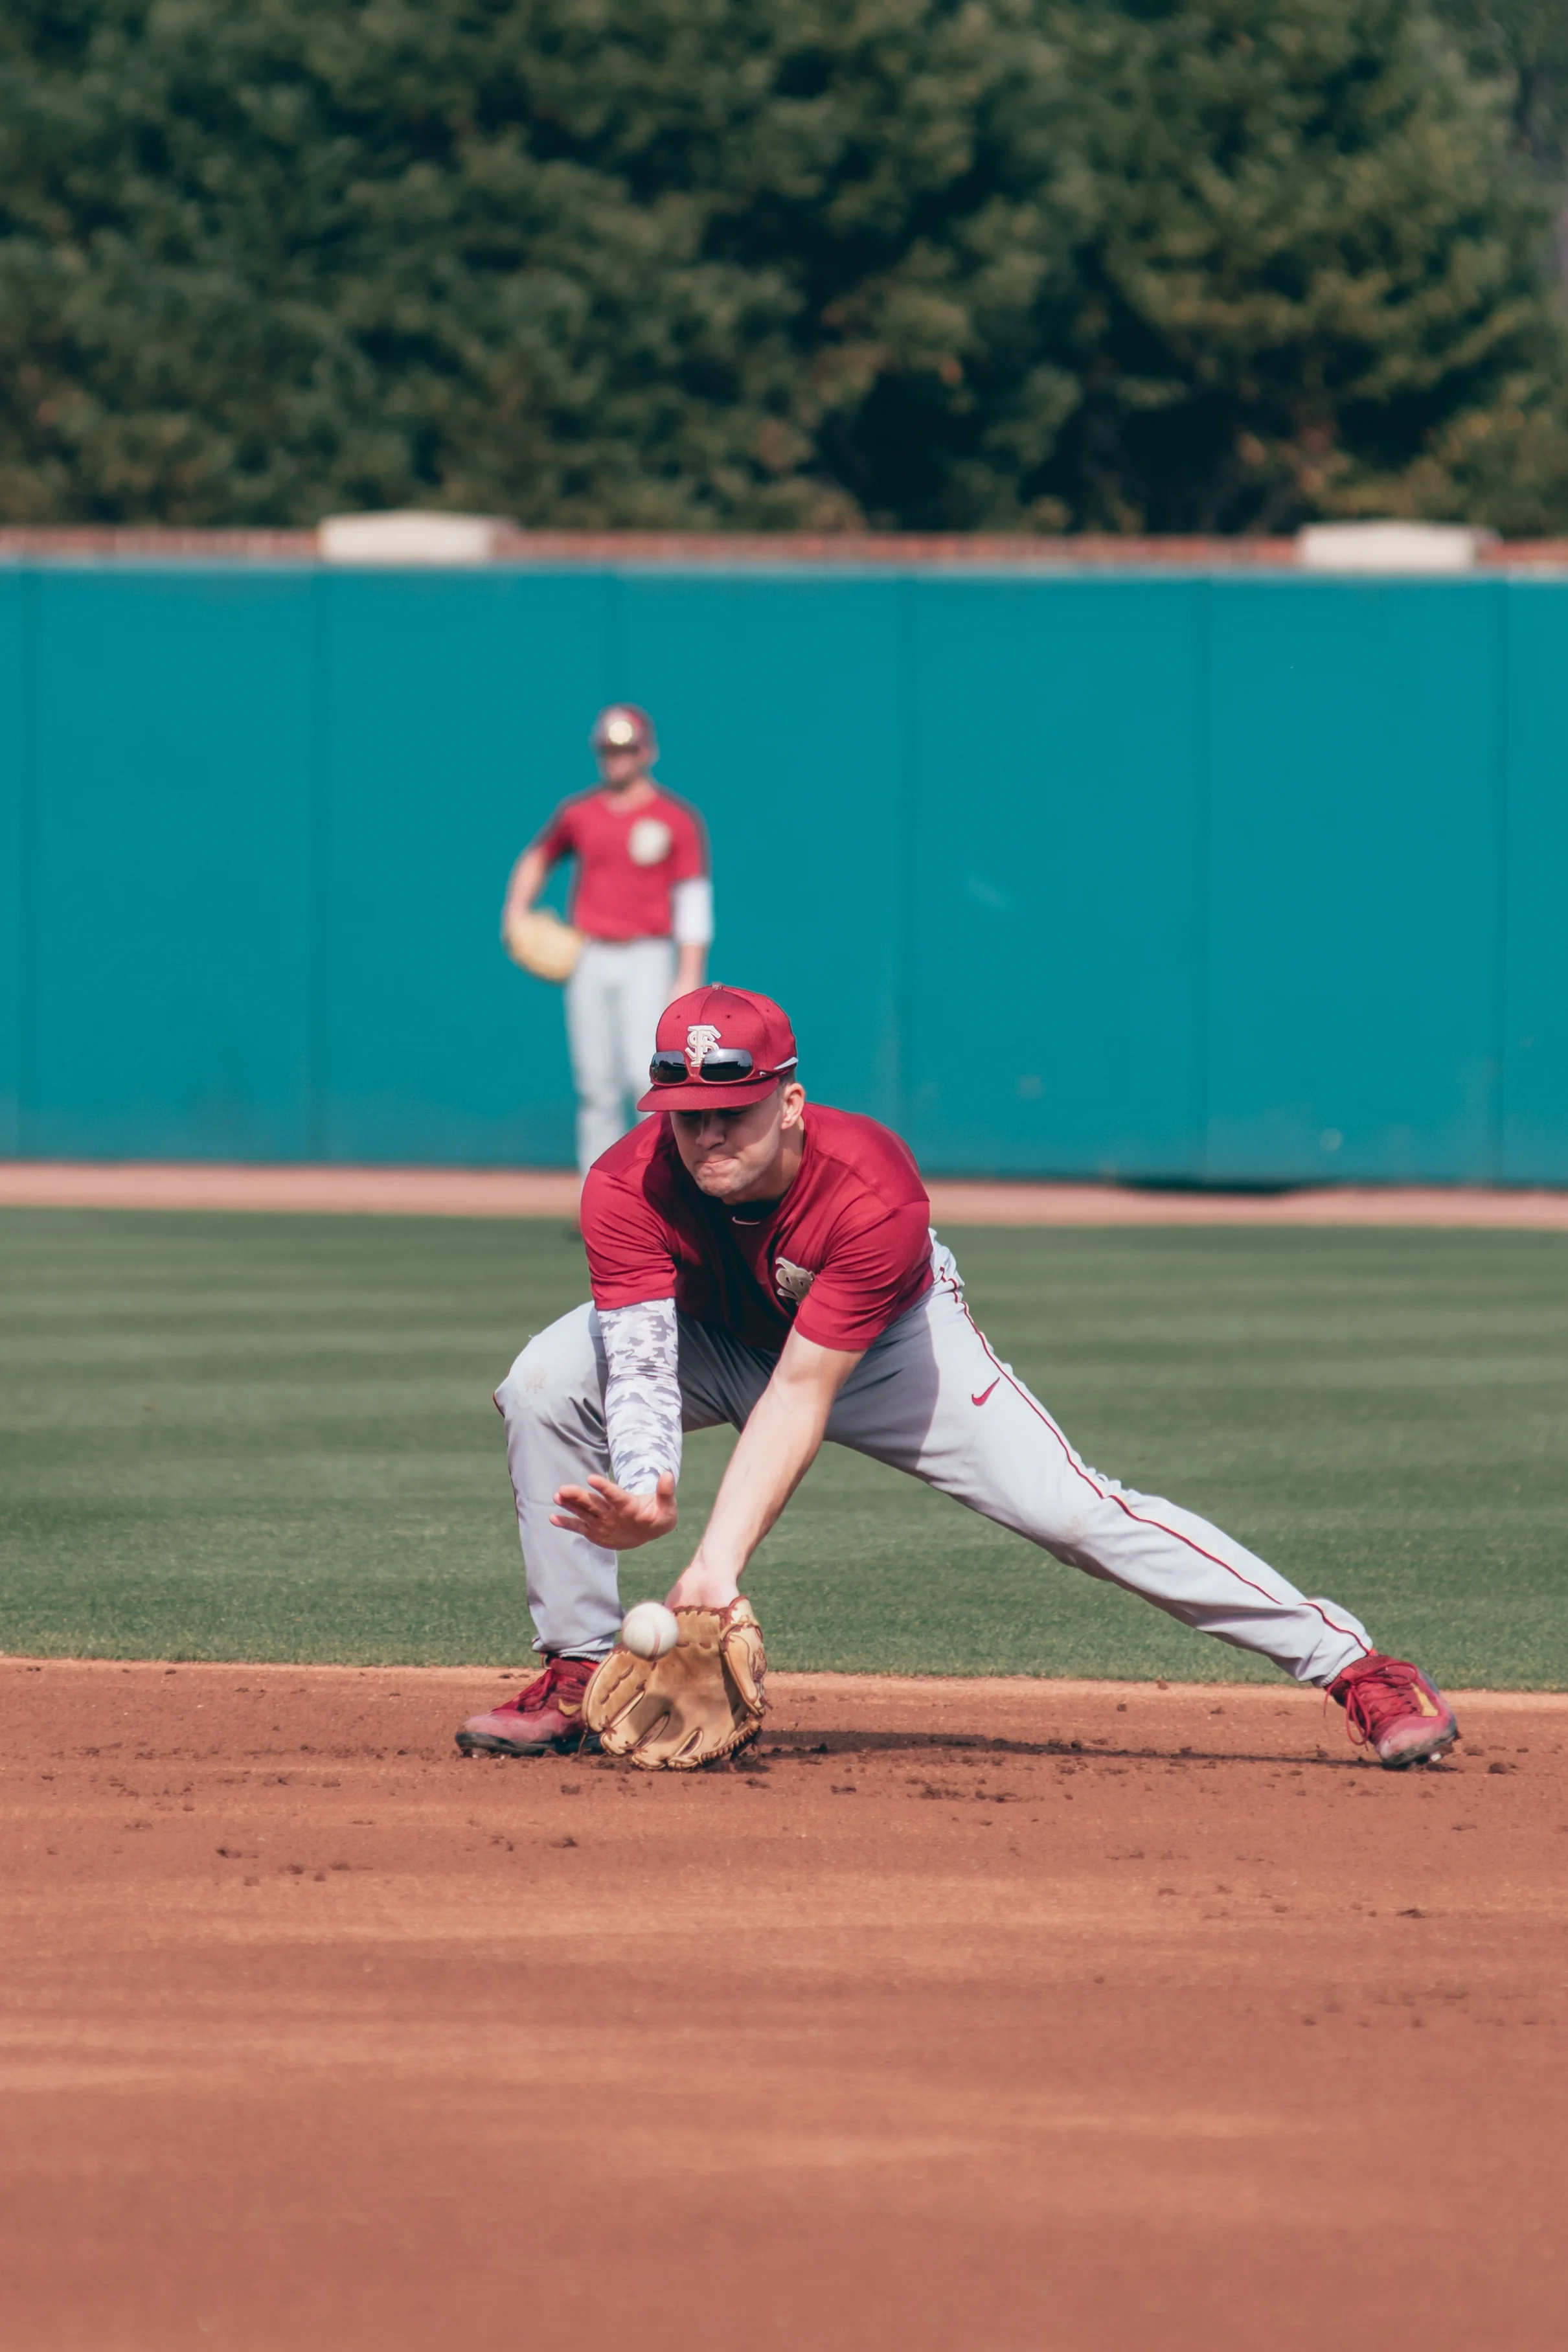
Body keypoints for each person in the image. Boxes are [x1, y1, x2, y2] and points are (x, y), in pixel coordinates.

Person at [458, 984, 1459, 1772]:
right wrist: (646, 1485)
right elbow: (636, 1353)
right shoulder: (626, 1181)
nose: (709, 1135)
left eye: (734, 1110)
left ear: (790, 1100)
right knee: (546, 1379)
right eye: (688, 1113)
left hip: (891, 1346)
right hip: (715, 1335)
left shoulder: (871, 1192)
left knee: (1073, 1512)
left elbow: (802, 1391)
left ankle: (1358, 1666)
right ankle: (581, 1667)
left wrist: (712, 1568)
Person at [503, 704, 712, 1176]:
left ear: (648, 751)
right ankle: (598, 1198)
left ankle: (658, 1192)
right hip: (591, 954)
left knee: (646, 1078)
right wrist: (515, 912)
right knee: (594, 1084)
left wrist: (689, 972)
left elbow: (693, 898)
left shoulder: (675, 818)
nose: (617, 758)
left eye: (627, 748)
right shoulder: (580, 813)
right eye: (609, 749)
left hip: (648, 954)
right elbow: (538, 857)